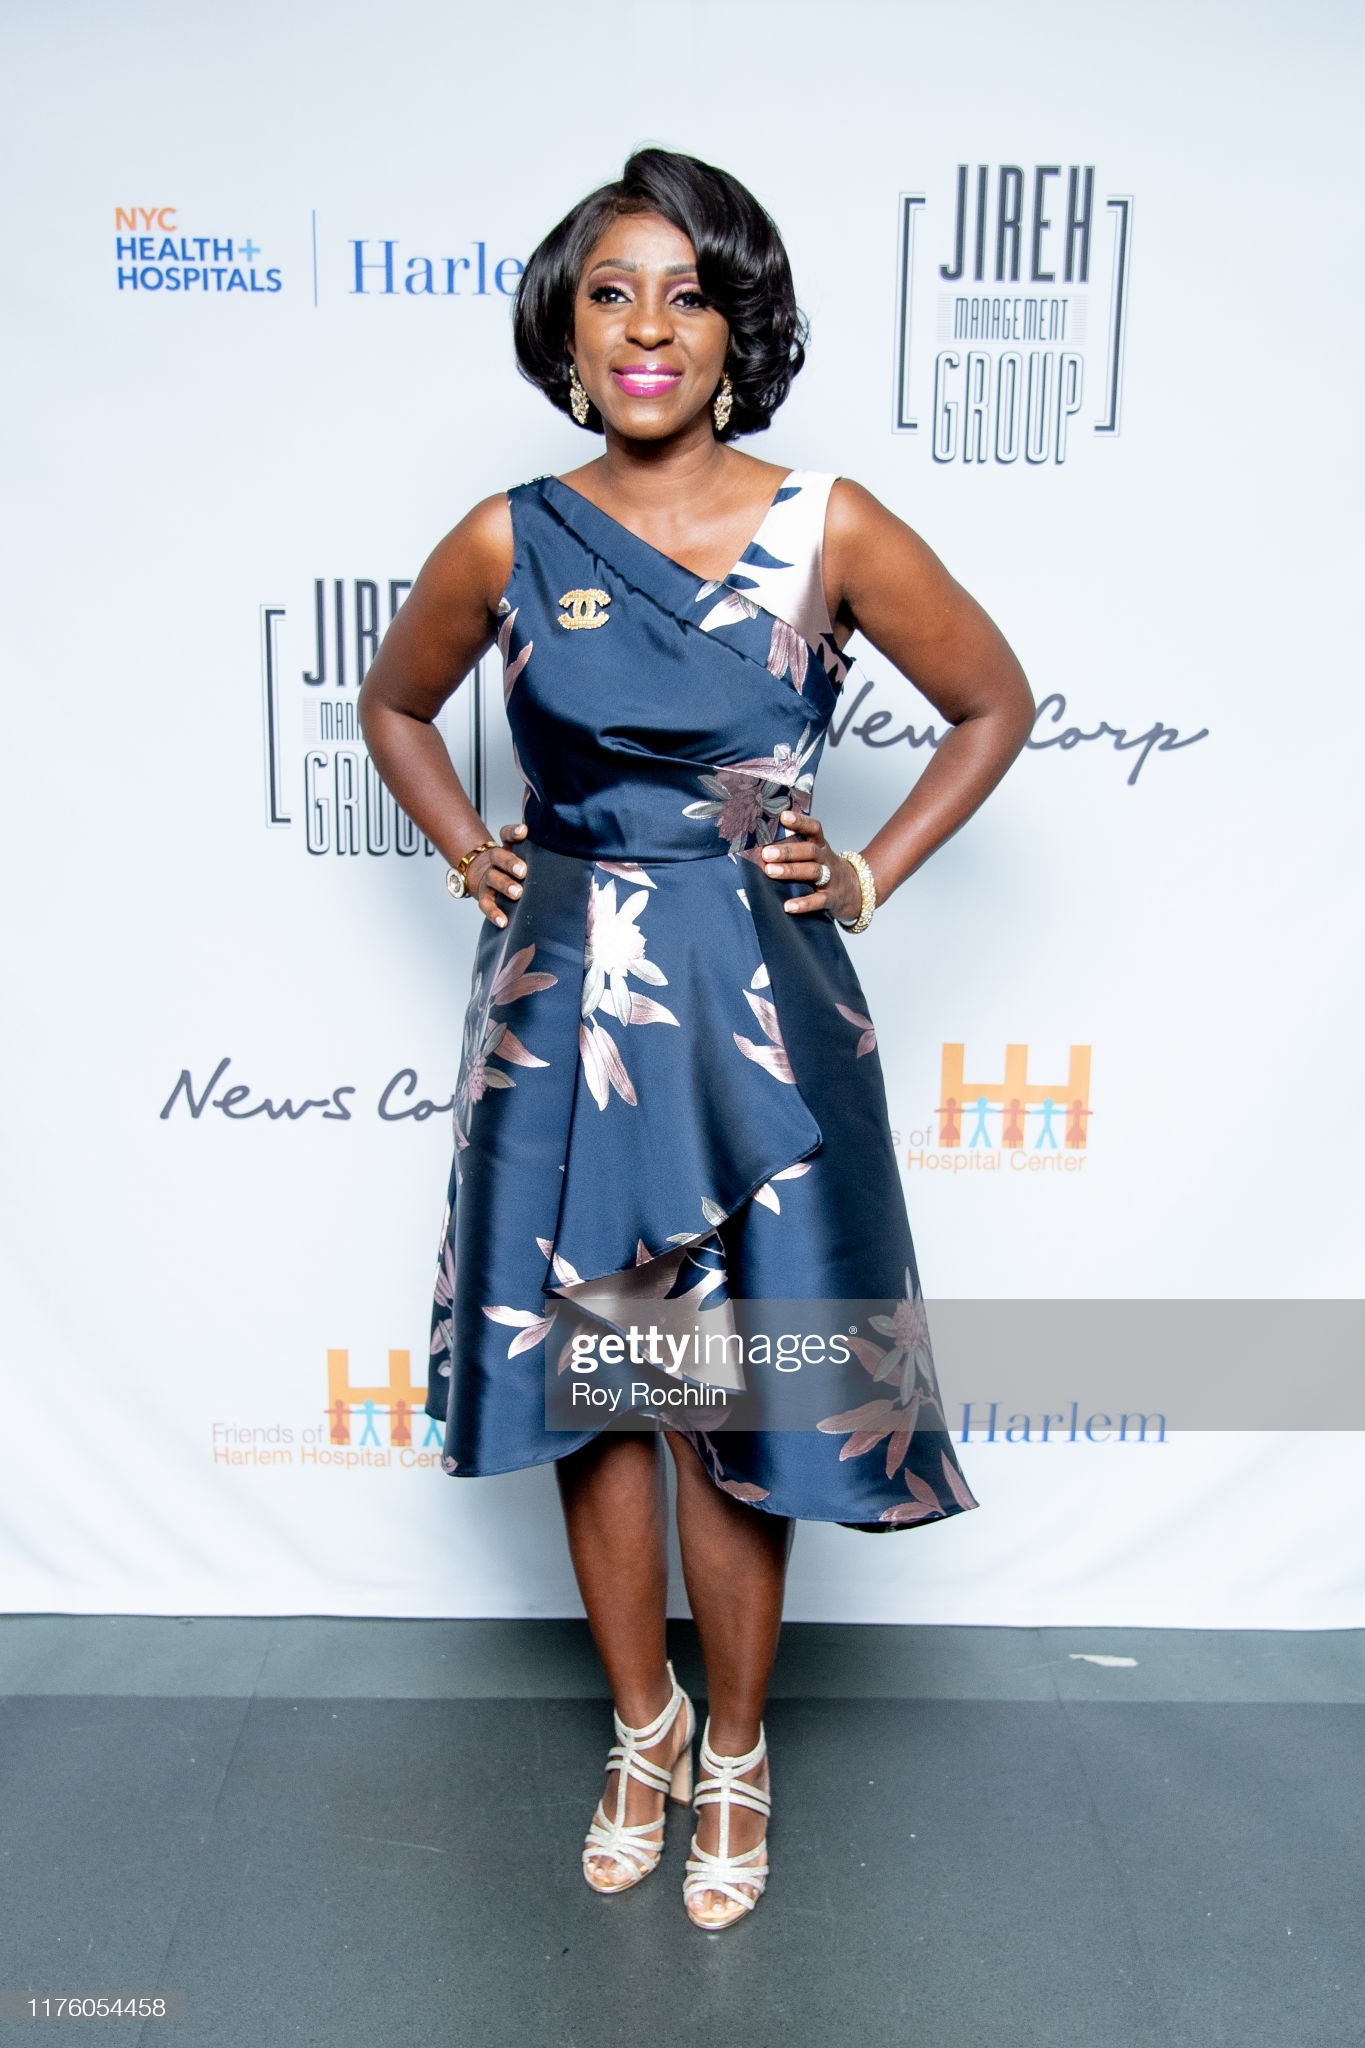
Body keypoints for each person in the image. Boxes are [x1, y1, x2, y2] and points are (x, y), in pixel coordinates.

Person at [358, 147, 1033, 1932]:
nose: (647, 327)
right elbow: (397, 702)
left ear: (739, 330)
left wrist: (866, 871)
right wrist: (470, 847)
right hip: (565, 1002)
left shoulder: (834, 528)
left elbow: (991, 702)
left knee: (740, 1384)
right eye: (610, 293)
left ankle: (735, 1749)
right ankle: (640, 1726)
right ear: (567, 331)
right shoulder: (510, 534)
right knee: (604, 1392)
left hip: (758, 1009)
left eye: (687, 294)